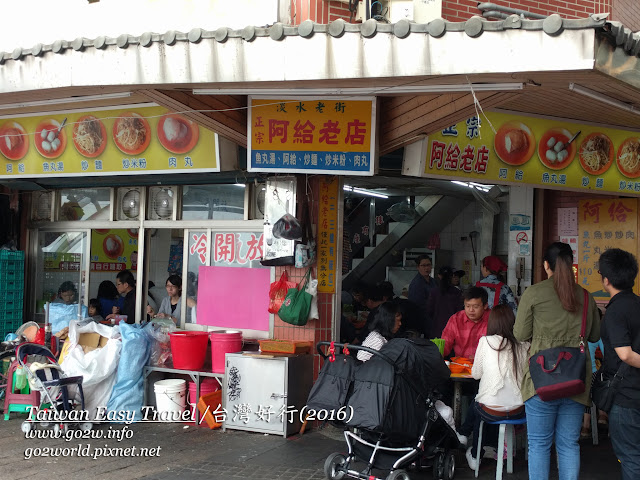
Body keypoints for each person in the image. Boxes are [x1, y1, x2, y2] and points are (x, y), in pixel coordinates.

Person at [514, 242, 600, 480]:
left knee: (539, 445)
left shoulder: (533, 293)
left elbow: (520, 334)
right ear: (571, 265)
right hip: (575, 380)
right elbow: (594, 335)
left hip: (541, 381)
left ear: (545, 265)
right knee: (569, 445)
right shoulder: (585, 295)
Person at [465, 304, 530, 470]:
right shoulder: (523, 344)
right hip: (519, 409)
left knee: (478, 403)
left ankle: (475, 455)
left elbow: (476, 374)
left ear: (492, 322)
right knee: (480, 400)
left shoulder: (485, 341)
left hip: (490, 410)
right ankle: (485, 445)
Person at [598, 248, 640, 480]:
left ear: (606, 280)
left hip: (626, 396)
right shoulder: (638, 303)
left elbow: (625, 354)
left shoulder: (615, 310)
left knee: (631, 457)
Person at [441, 286, 490, 359]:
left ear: (485, 306)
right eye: (467, 306)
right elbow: (445, 343)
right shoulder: (456, 319)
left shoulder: (493, 319)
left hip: (486, 366)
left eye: (475, 307)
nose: (471, 310)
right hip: (461, 366)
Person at [426, 266, 464, 339]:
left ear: (439, 276)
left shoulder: (434, 292)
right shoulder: (457, 292)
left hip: (436, 331)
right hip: (452, 330)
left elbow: (429, 311)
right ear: (451, 276)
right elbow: (459, 312)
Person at [408, 254, 437, 333]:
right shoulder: (416, 283)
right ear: (418, 267)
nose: (426, 268)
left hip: (432, 317)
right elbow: (417, 305)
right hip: (422, 319)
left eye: (428, 265)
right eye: (423, 265)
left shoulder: (433, 281)